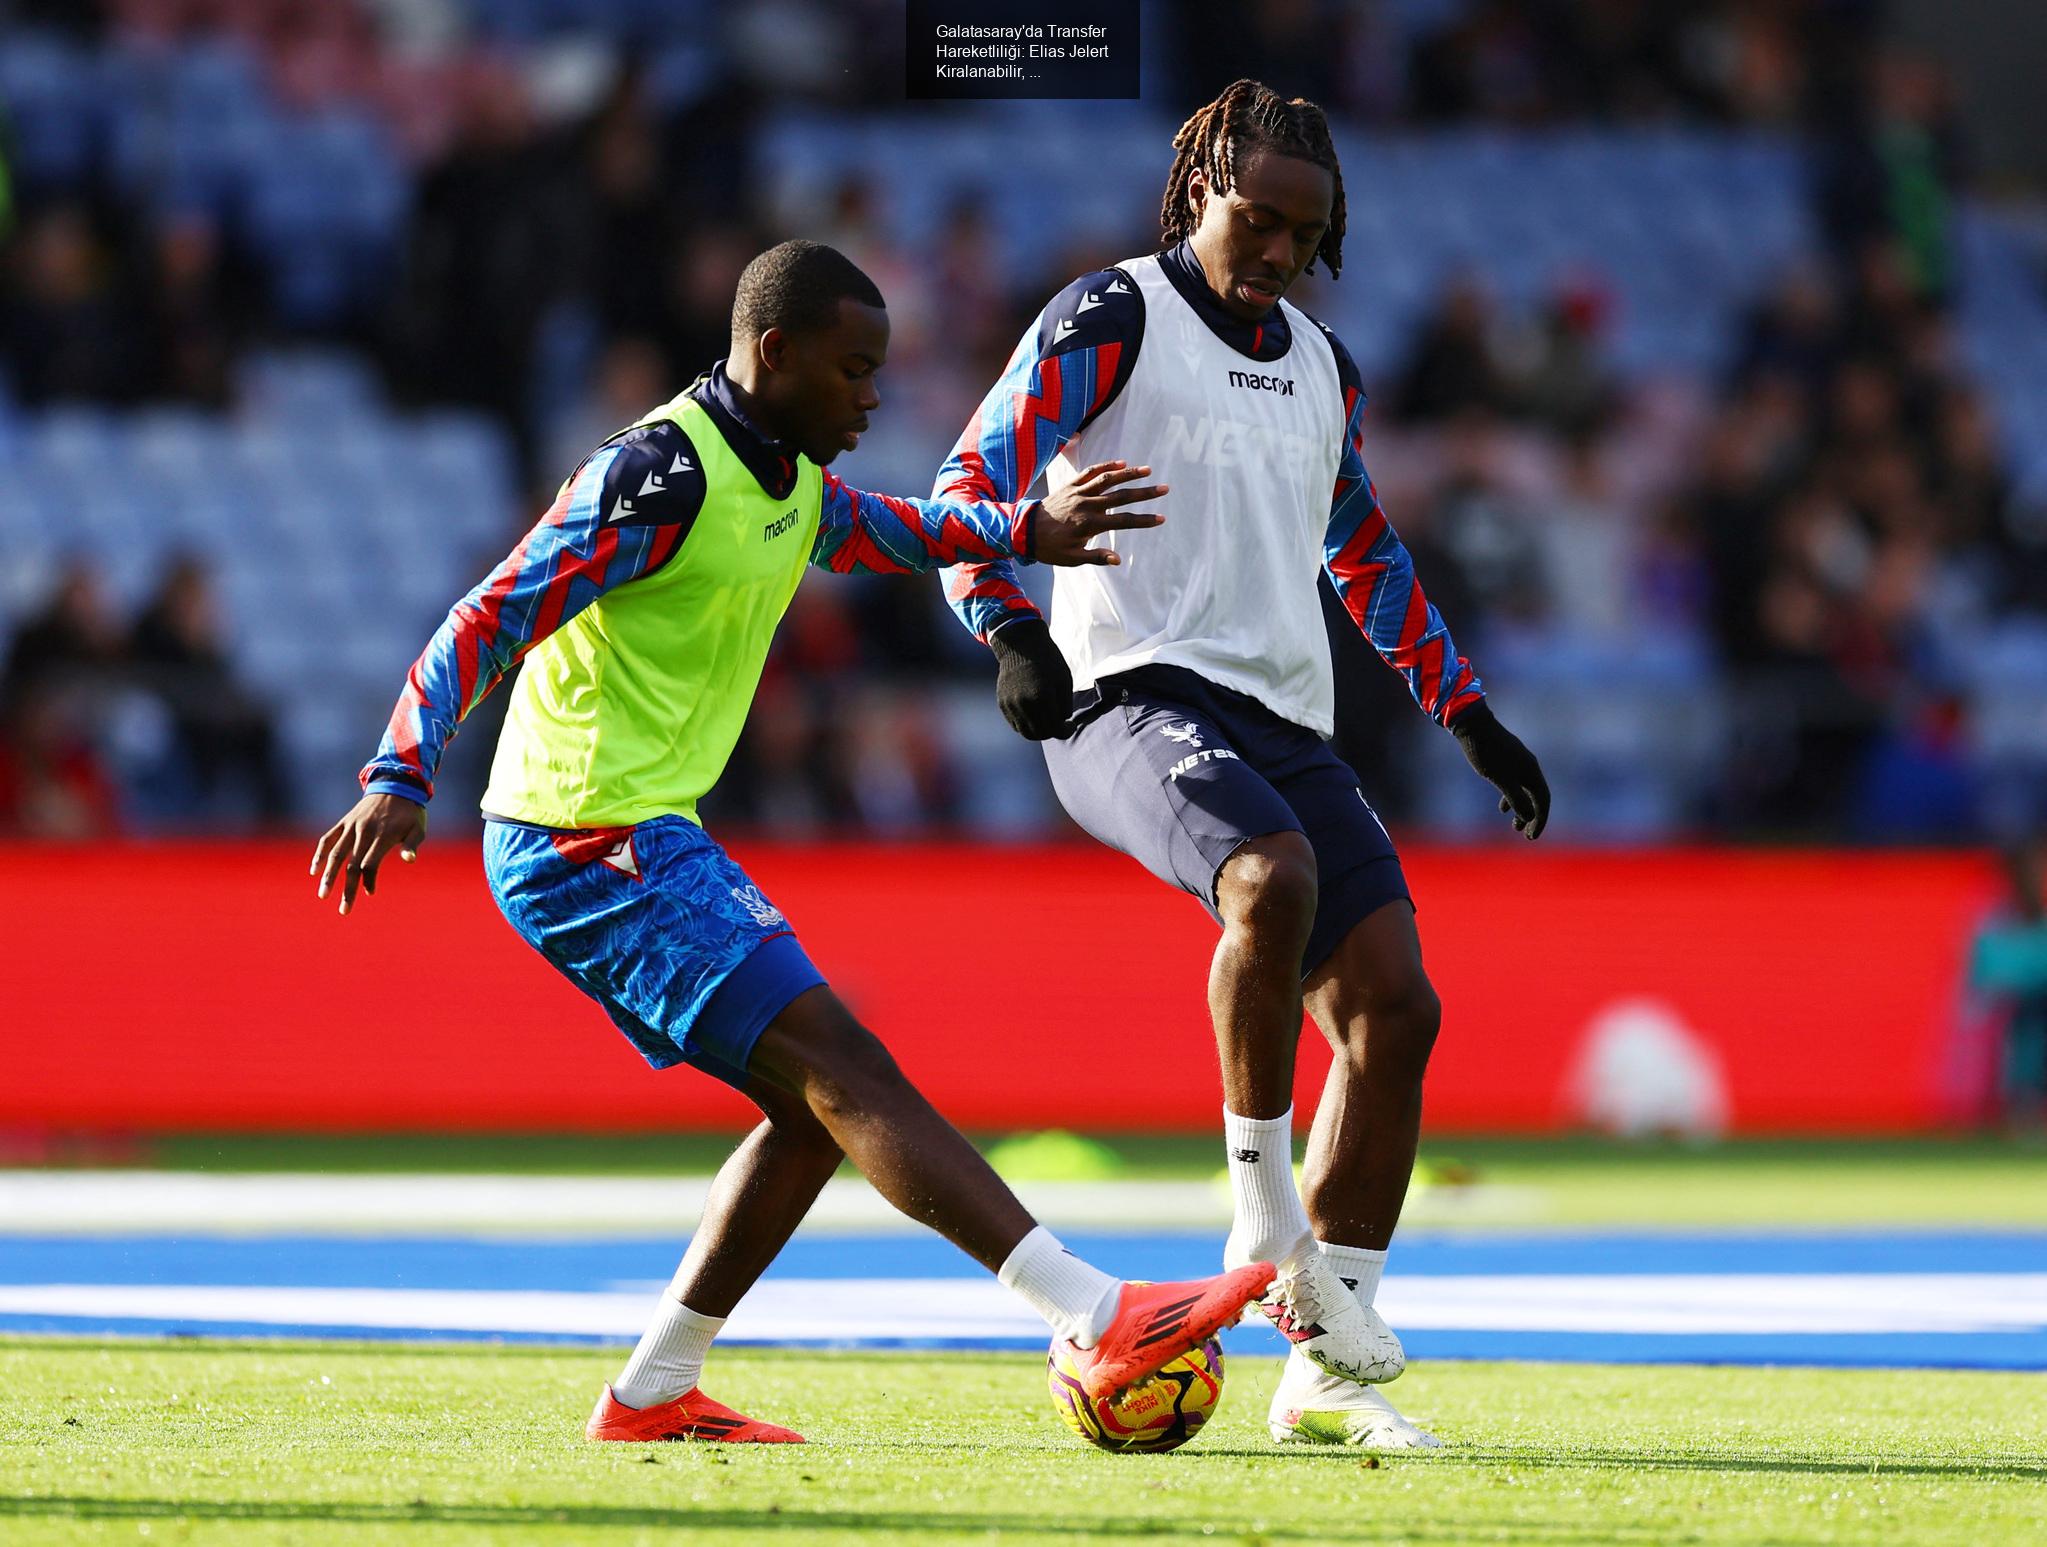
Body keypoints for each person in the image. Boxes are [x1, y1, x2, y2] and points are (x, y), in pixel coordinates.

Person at [311, 240, 1272, 1443]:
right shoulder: (658, 473)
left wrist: (1027, 525)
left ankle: (653, 1387)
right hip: (579, 833)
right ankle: (1092, 1308)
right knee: (844, 1062)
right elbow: (491, 609)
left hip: (643, 828)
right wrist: (400, 769)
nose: (873, 395)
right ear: (773, 353)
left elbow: (885, 530)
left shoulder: (786, 475)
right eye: (853, 369)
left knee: (818, 1103)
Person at [934, 82, 1551, 1449]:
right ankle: (1265, 1221)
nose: (1270, 248)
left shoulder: (1323, 366)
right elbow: (969, 483)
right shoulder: (1108, 319)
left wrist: (1464, 711)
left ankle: (1320, 1369)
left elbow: (1363, 552)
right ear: (1194, 192)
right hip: (1120, 698)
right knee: (1261, 877)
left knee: (1396, 1012)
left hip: (1280, 715)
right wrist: (1005, 628)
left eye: (1299, 231)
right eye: (1250, 218)